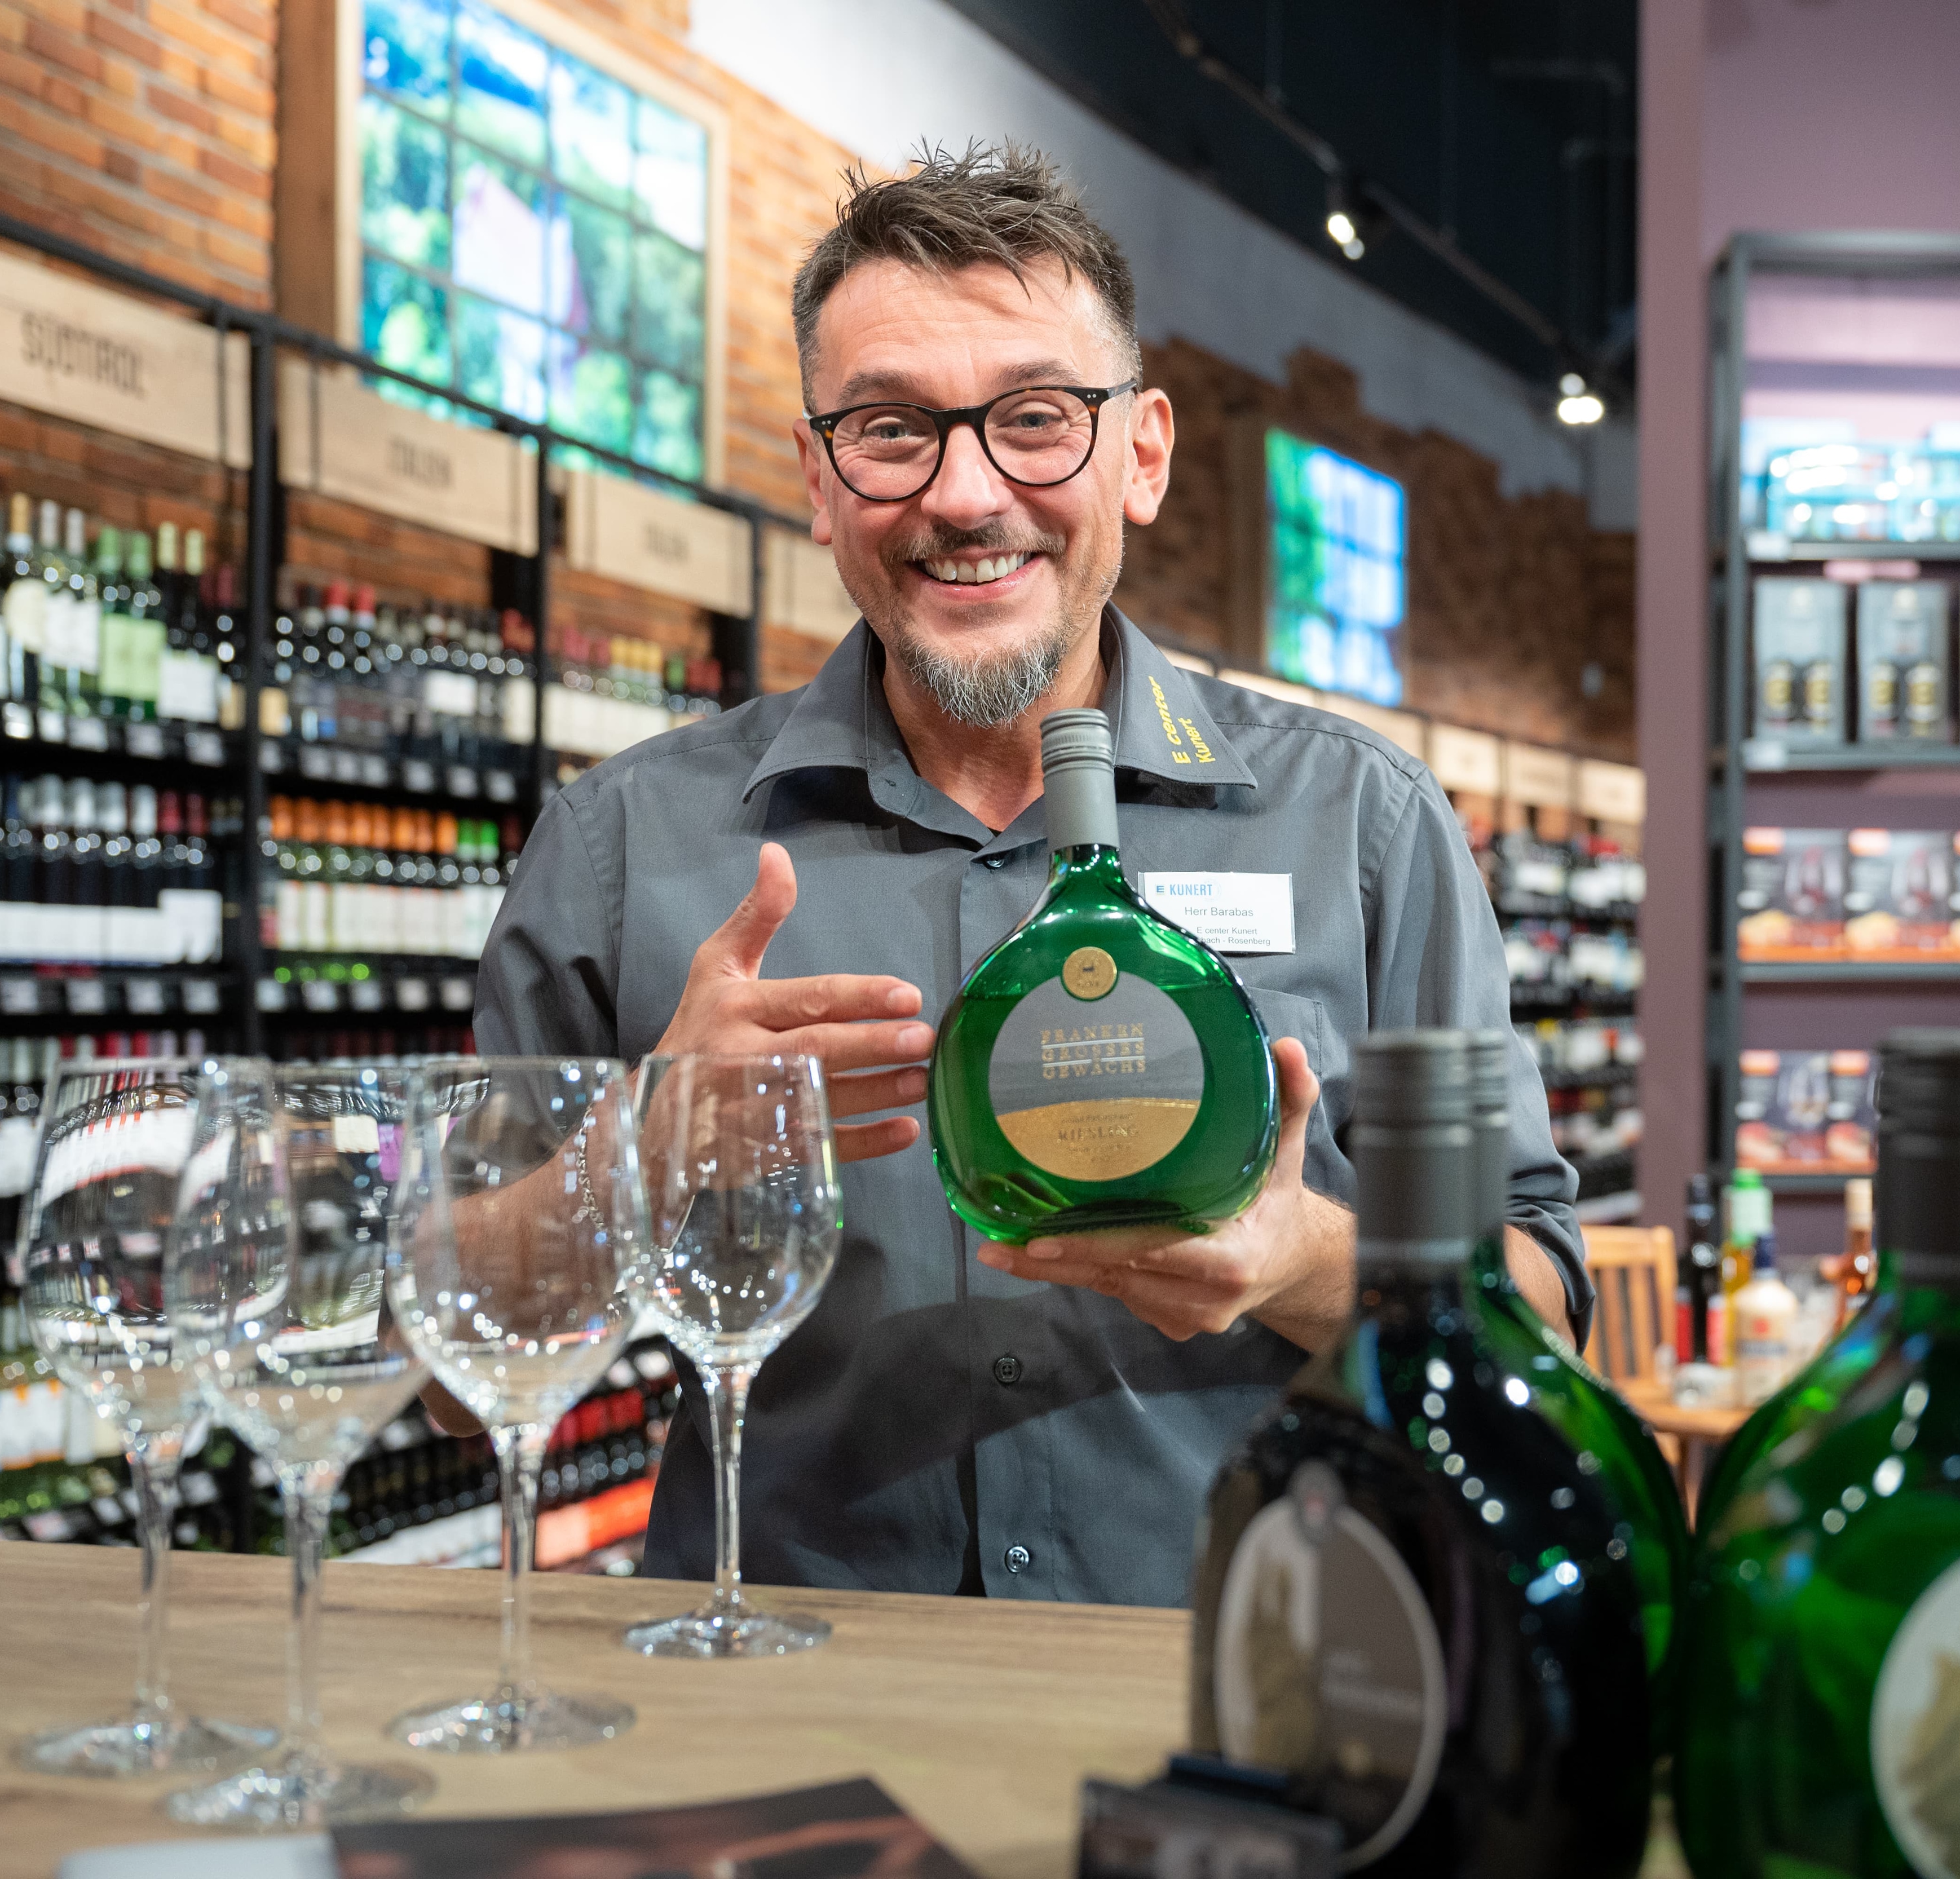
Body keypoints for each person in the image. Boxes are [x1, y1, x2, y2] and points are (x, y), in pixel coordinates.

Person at [464, 142, 1583, 1606]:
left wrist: (1309, 1259)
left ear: (1145, 454)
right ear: (817, 479)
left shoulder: (1364, 824)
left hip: (1254, 1697)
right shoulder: (626, 844)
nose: (966, 493)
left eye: (1037, 419)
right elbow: (450, 1370)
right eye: (888, 430)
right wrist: (648, 1151)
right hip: (784, 1722)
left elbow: (1549, 1317)